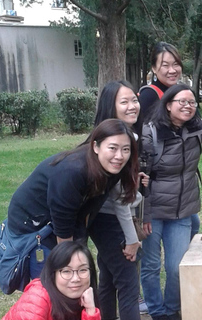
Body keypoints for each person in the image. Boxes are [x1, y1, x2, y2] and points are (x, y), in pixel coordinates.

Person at [140, 84, 202, 320]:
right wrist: (144, 215)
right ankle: (156, 311)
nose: (187, 106)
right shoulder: (150, 132)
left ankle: (171, 309)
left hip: (182, 210)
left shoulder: (194, 128)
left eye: (191, 102)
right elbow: (140, 179)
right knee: (151, 266)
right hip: (154, 210)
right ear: (168, 105)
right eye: (181, 101)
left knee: (176, 267)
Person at [6, 118, 138, 280]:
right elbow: (62, 226)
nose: (119, 156)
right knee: (54, 284)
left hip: (65, 219)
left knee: (78, 277)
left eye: (126, 149)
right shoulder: (73, 171)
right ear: (95, 146)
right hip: (32, 222)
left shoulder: (111, 168)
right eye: (113, 148)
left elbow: (88, 209)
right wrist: (70, 265)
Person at [87, 81, 148, 320]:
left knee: (109, 280)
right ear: (110, 106)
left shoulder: (108, 135)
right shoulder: (121, 139)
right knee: (128, 284)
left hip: (98, 218)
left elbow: (121, 190)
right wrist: (132, 241)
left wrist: (136, 189)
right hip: (109, 219)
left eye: (134, 99)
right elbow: (121, 199)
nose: (132, 106)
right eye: (124, 102)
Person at [138, 41, 200, 241]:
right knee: (148, 250)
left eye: (176, 64)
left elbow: (196, 124)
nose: (172, 70)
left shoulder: (179, 93)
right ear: (154, 68)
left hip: (178, 185)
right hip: (153, 180)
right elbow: (142, 136)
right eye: (165, 65)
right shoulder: (150, 95)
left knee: (193, 223)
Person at [3, 241, 101, 320]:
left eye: (83, 270)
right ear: (53, 274)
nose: (76, 278)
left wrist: (90, 310)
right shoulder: (38, 299)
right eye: (66, 271)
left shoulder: (85, 298)